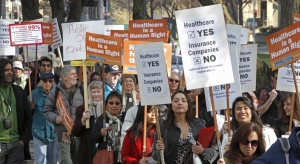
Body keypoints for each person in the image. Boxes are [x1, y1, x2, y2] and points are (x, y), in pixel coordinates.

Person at [153, 90, 218, 164]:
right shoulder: (163, 126)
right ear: (171, 106)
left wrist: (202, 151)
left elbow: (213, 151)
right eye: (176, 101)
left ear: (188, 105)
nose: (180, 103)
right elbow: (155, 156)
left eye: (183, 101)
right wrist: (160, 151)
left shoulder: (199, 124)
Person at [43, 65, 83, 164]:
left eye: (75, 74)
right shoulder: (55, 91)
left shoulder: (82, 89)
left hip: (78, 130)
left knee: (77, 159)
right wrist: (56, 118)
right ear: (64, 77)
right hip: (62, 131)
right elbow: (46, 111)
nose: (75, 76)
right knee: (66, 160)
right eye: (72, 74)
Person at [0, 59, 32, 163]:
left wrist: (23, 140)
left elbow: (28, 117)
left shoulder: (18, 91)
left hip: (16, 144)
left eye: (11, 70)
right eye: (6, 70)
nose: (10, 72)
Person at [71, 80, 103, 164]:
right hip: (87, 151)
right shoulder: (82, 109)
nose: (96, 94)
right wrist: (83, 120)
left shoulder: (108, 107)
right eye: (93, 92)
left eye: (98, 91)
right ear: (89, 93)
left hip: (103, 150)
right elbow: (75, 132)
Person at [29, 73, 58, 164]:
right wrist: (29, 107)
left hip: (54, 132)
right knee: (40, 160)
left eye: (50, 81)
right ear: (41, 82)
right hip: (38, 132)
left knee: (53, 160)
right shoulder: (33, 94)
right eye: (45, 81)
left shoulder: (58, 94)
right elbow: (26, 113)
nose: (48, 83)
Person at [91, 91, 125, 164]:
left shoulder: (125, 118)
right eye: (111, 103)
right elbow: (93, 138)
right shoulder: (101, 119)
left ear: (121, 106)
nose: (114, 105)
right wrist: (100, 133)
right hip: (106, 157)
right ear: (106, 105)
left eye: (117, 103)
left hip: (122, 155)